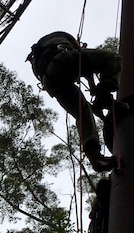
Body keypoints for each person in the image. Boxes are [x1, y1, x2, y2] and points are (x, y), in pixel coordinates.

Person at [27, 31, 121, 172]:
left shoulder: (40, 52)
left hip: (49, 80)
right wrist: (98, 91)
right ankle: (105, 94)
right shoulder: (63, 36)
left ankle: (94, 156)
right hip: (62, 59)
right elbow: (84, 63)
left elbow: (85, 68)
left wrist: (96, 101)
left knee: (82, 113)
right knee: (113, 59)